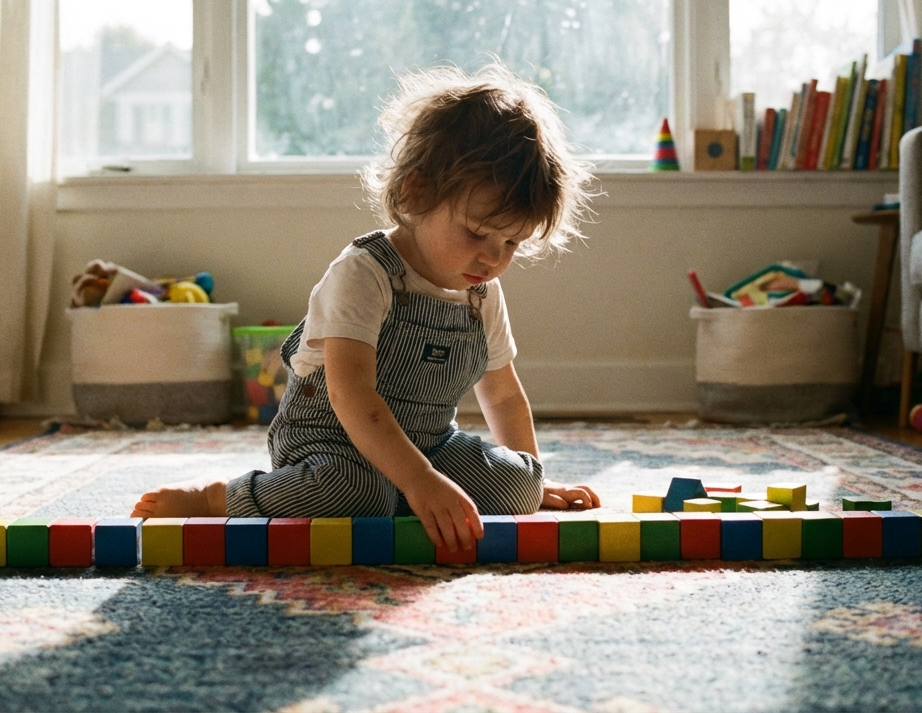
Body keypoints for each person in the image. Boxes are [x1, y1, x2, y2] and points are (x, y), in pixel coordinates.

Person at [131, 64, 601, 551]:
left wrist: (528, 483)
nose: (494, 258)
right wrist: (418, 480)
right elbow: (351, 393)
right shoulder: (364, 273)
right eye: (478, 233)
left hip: (430, 442)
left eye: (513, 244)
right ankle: (217, 499)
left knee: (516, 484)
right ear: (415, 193)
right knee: (355, 491)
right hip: (332, 442)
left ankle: (404, 492)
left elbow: (502, 396)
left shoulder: (481, 292)